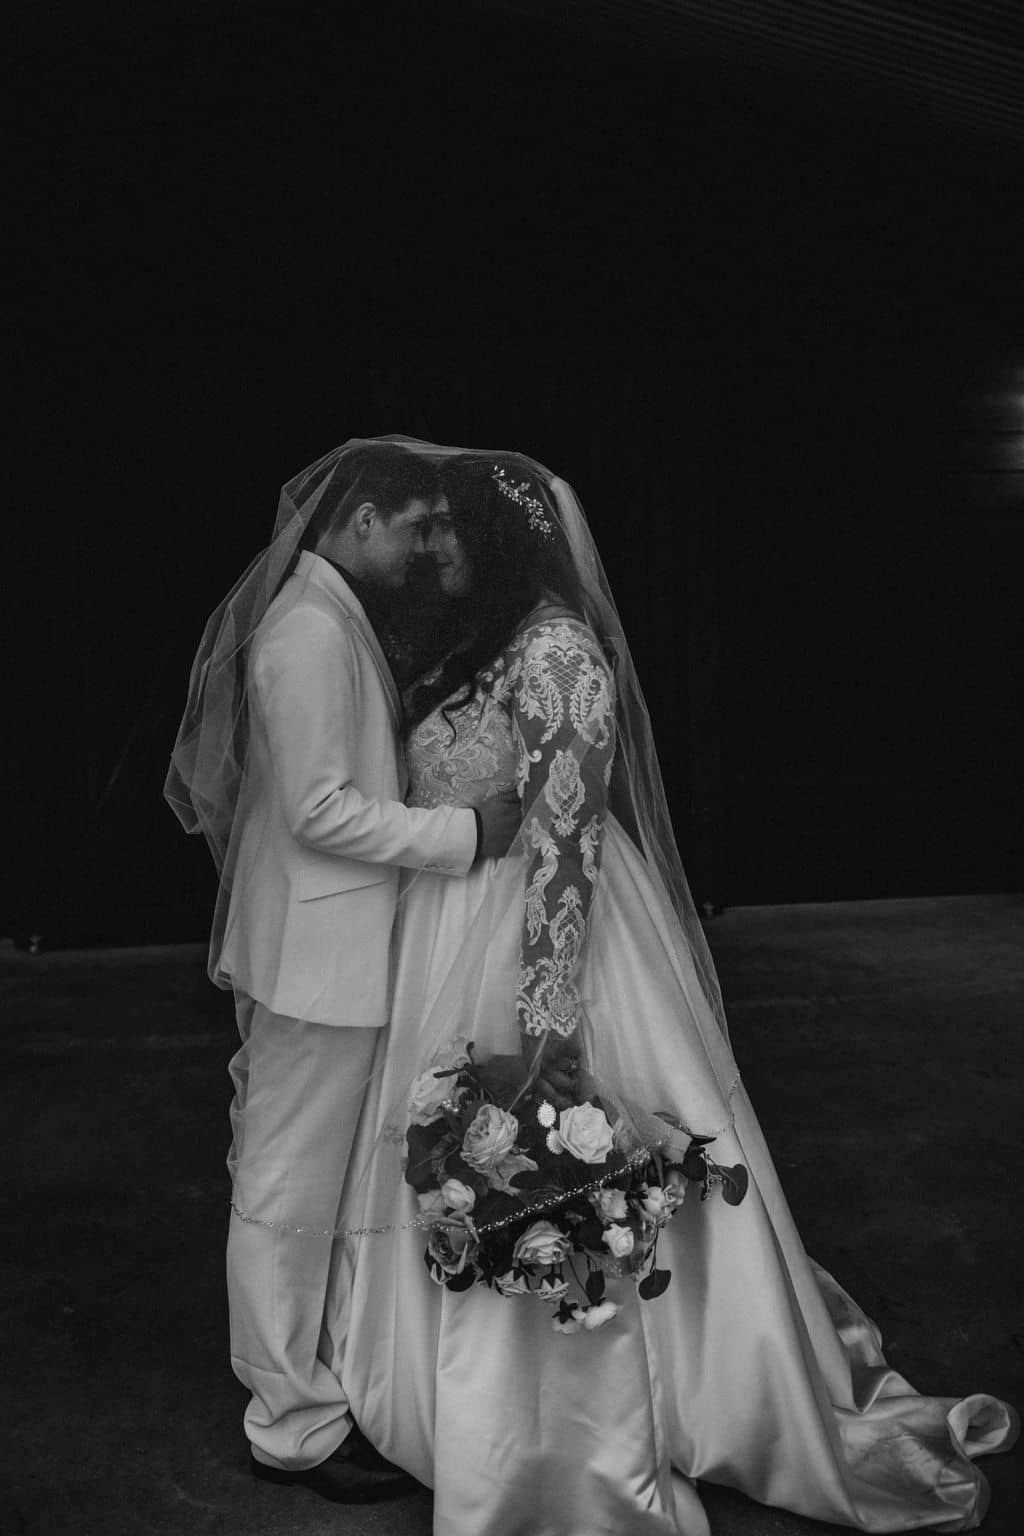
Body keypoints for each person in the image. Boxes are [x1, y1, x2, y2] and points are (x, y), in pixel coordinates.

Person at [325, 444, 1018, 1535]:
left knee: (544, 1162)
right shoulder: (486, 644)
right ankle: (440, 1390)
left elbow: (564, 859)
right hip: (446, 934)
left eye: (455, 528)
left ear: (505, 540)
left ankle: (569, 1432)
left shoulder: (556, 656)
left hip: (543, 949)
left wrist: (545, 1044)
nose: (436, 546)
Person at [164, 440, 522, 1503]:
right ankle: (290, 1427)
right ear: (361, 521)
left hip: (335, 950)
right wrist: (462, 833)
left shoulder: (329, 617)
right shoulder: (309, 631)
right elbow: (320, 812)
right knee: (281, 1190)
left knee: (304, 1185)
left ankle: (316, 1386)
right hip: (317, 957)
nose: (425, 547)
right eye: (415, 527)